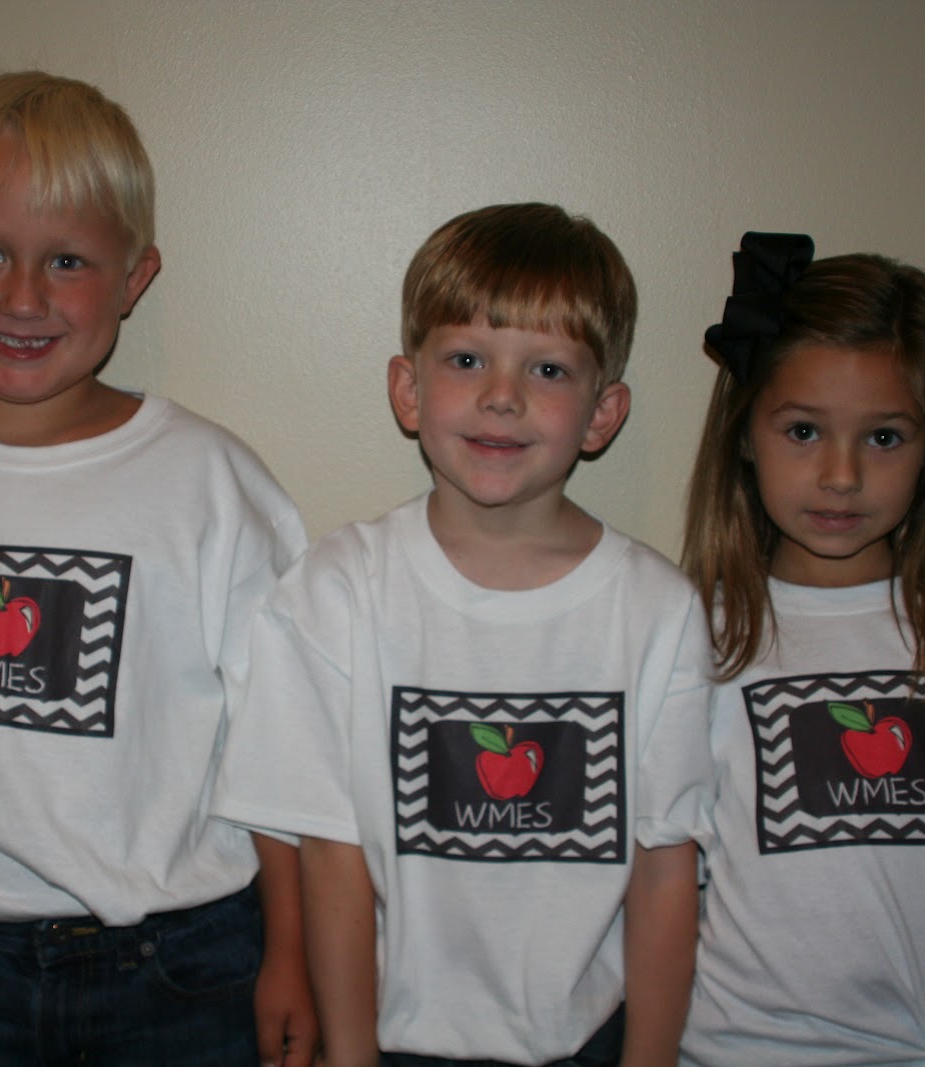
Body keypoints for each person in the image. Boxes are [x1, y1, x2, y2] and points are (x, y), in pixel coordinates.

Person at [0, 71, 315, 1066]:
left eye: (69, 261)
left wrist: (293, 953)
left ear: (134, 278)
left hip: (186, 965)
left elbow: (286, 746)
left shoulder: (207, 482)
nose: (24, 297)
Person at [213, 203, 712, 1067]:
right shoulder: (339, 591)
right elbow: (331, 855)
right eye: (467, 359)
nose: (501, 396)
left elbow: (667, 871)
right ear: (409, 390)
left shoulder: (657, 610)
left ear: (602, 413)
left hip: (590, 1042)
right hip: (395, 1042)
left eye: (547, 368)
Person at [677, 233, 925, 1067]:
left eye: (884, 438)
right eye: (804, 429)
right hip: (733, 1049)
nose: (841, 475)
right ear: (746, 433)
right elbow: (673, 878)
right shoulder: (694, 640)